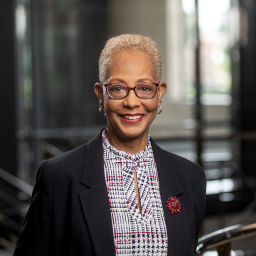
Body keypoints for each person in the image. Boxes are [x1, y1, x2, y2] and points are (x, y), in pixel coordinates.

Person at [13, 34, 206, 256]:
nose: (132, 102)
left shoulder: (190, 177)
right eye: (117, 88)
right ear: (100, 95)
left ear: (160, 93)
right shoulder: (59, 177)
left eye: (144, 88)